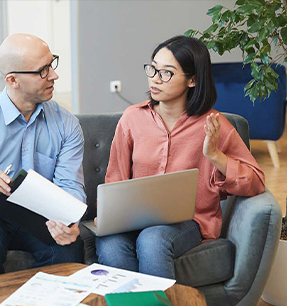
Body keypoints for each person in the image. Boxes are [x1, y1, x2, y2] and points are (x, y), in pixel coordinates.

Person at [95, 35, 265, 279]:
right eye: (152, 68)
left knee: (152, 240)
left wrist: (215, 156)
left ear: (192, 80)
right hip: (130, 220)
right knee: (110, 246)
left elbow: (256, 181)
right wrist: (109, 215)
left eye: (166, 73)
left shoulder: (214, 125)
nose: (155, 78)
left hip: (188, 223)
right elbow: (116, 178)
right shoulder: (132, 118)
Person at [0, 33, 85, 280]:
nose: (54, 75)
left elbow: (70, 188)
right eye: (43, 70)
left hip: (39, 216)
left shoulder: (66, 125)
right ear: (13, 80)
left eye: (52, 64)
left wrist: (69, 223)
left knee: (68, 248)